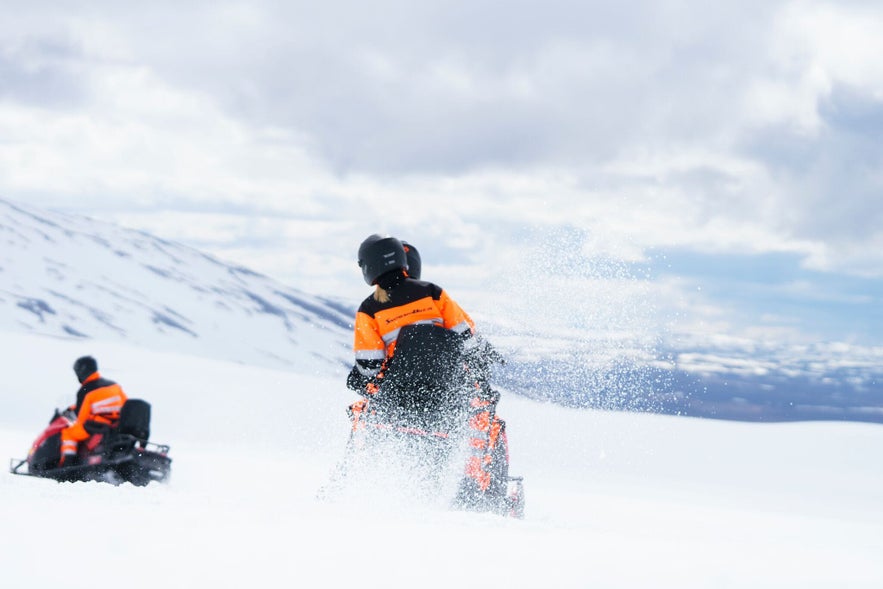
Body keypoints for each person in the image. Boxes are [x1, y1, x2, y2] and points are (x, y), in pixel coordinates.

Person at [346, 235, 509, 507]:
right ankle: (477, 491)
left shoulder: (369, 309)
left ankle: (355, 479)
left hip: (396, 403)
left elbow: (370, 365)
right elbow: (466, 335)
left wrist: (357, 377)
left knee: (362, 413)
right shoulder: (433, 292)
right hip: (446, 403)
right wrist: (484, 356)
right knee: (484, 421)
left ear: (368, 268)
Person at [59, 356, 128, 465]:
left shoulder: (86, 390)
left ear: (81, 371)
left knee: (68, 433)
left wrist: (72, 415)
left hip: (97, 427)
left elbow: (81, 417)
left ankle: (67, 463)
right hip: (116, 425)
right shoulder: (114, 385)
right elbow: (126, 405)